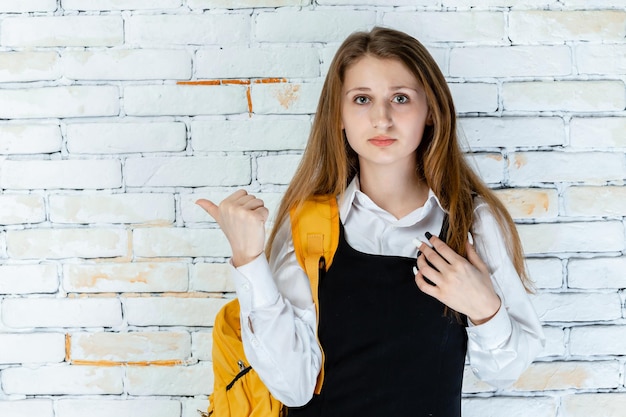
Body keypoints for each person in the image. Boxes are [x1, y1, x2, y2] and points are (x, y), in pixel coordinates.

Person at [197, 26, 544, 416]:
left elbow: (504, 372)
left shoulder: (471, 223)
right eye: (362, 99)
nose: (381, 119)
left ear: (430, 111)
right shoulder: (310, 227)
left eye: (400, 98)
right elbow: (294, 388)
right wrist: (249, 260)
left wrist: (484, 307)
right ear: (339, 116)